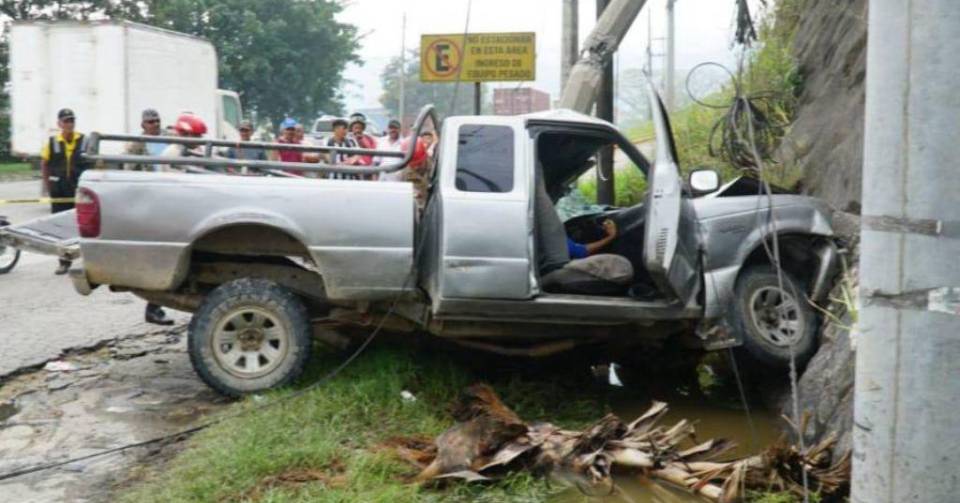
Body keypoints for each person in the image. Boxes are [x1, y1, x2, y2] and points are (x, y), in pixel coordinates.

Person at [40, 108, 89, 275]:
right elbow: (44, 164)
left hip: (79, 190)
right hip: (59, 191)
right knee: (60, 228)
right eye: (66, 121)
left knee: (83, 227)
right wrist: (48, 186)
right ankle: (63, 262)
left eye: (71, 120)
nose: (69, 124)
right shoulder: (53, 142)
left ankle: (86, 261)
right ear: (59, 124)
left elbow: (93, 163)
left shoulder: (83, 140)